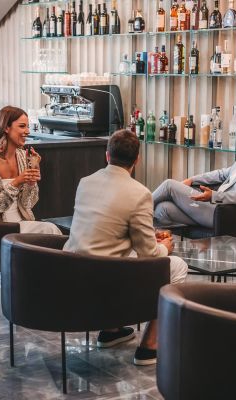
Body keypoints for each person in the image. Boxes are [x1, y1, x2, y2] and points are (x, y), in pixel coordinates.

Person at [63, 129, 188, 366]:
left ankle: (111, 330)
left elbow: (106, 231)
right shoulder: (139, 193)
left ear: (107, 155)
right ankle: (149, 346)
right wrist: (164, 247)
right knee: (177, 266)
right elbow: (149, 255)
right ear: (137, 160)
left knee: (114, 254)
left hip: (71, 276)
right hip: (106, 282)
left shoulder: (85, 182)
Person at [152, 118, 236, 228]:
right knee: (162, 209)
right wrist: (192, 179)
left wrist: (214, 196)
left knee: (169, 185)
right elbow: (221, 174)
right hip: (213, 209)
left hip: (224, 213)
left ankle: (139, 209)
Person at [0, 106, 61, 234]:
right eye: (22, 126)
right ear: (6, 128)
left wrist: (31, 183)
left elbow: (28, 203)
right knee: (50, 231)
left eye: (27, 127)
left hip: (21, 223)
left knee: (51, 229)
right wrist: (17, 182)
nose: (27, 131)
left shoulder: (22, 157)